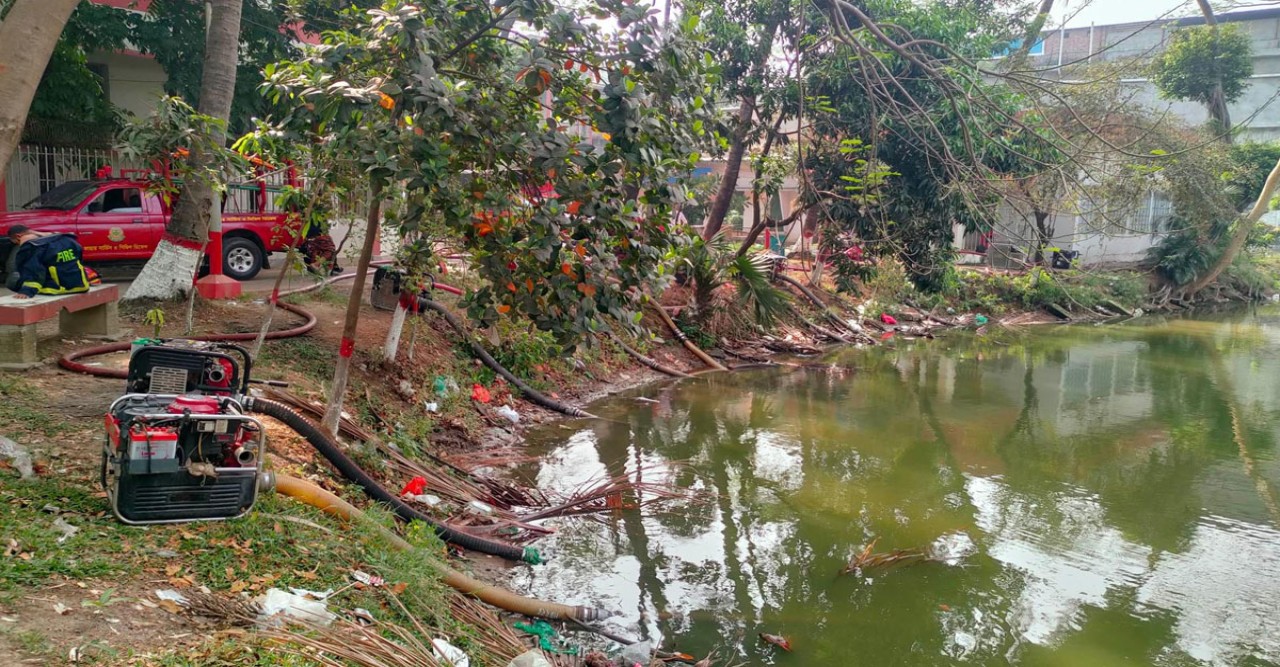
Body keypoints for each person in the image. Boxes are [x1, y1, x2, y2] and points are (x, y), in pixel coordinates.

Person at [5, 225, 98, 299]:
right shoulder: (66, 238)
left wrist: (27, 291)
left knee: (12, 280)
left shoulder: (31, 248)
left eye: (16, 242)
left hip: (56, 289)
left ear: (18, 236)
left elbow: (34, 271)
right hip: (80, 285)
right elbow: (79, 255)